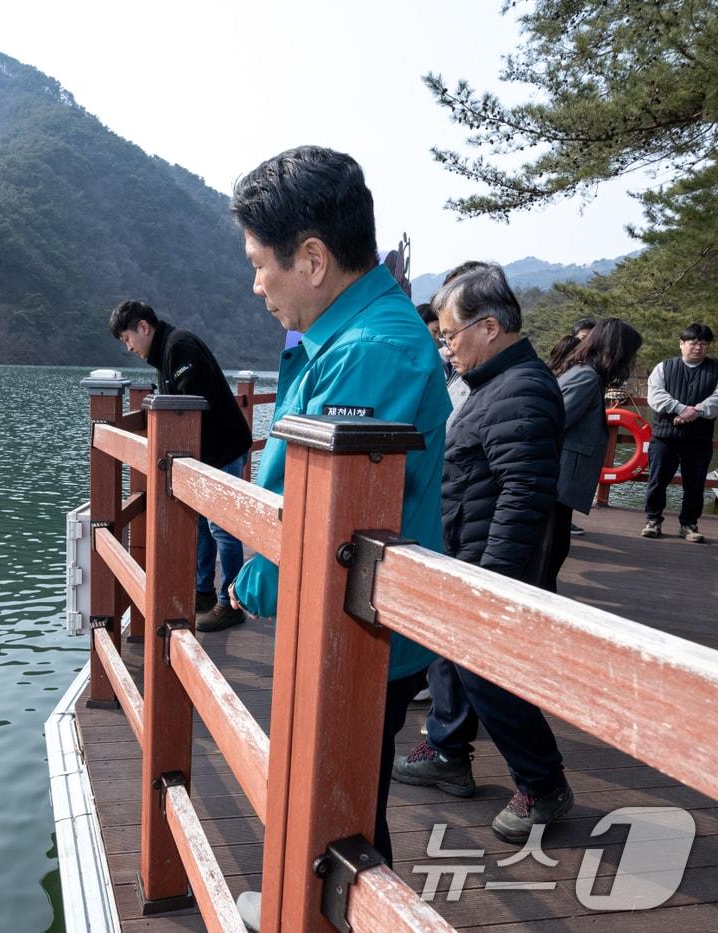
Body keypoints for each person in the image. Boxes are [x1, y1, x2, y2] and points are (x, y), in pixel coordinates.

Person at [222, 146, 451, 929]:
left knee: (344, 813)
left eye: (261, 264)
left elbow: (323, 513)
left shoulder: (368, 351)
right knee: (332, 801)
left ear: (312, 259)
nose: (255, 285)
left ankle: (332, 915)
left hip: (354, 630)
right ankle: (299, 901)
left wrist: (249, 580)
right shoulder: (347, 335)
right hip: (343, 617)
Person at [392, 263, 573, 845]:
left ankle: (544, 787)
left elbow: (525, 495)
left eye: (449, 335)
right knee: (455, 664)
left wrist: (489, 580)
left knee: (490, 677)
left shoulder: (522, 389)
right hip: (463, 554)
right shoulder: (495, 384)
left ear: (488, 327)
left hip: (485, 566)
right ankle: (449, 753)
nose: (445, 347)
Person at [108, 300, 253, 630]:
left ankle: (232, 603)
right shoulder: (167, 352)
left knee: (222, 529)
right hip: (208, 453)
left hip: (223, 450)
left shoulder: (179, 347)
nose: (128, 347)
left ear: (144, 327)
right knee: (202, 525)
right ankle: (203, 592)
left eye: (127, 338)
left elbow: (188, 408)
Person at [542, 319, 644, 586]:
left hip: (561, 479)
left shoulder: (585, 374)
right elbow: (553, 423)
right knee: (550, 551)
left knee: (555, 546)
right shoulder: (586, 378)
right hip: (559, 478)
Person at [641, 323, 717, 543]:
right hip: (665, 437)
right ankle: (653, 520)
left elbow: (717, 399)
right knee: (657, 481)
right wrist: (680, 409)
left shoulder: (715, 369)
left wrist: (696, 411)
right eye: (693, 343)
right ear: (681, 344)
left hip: (699, 439)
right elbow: (655, 396)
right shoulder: (664, 367)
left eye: (704, 344)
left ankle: (689, 525)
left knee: (695, 484)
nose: (698, 348)